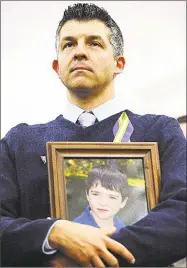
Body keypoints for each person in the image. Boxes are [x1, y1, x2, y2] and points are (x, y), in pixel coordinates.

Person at [0, 2, 186, 267]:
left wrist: (88, 255)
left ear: (118, 63)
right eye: (69, 44)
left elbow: (183, 210)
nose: (79, 52)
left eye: (94, 43)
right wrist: (53, 234)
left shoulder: (160, 131)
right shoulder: (18, 142)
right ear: (57, 66)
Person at [74, 165, 129, 231]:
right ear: (87, 195)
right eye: (96, 194)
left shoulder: (123, 229)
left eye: (112, 197)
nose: (103, 203)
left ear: (123, 202)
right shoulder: (76, 230)